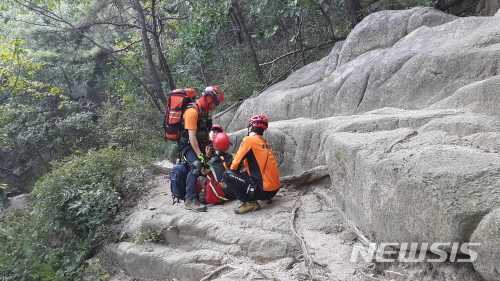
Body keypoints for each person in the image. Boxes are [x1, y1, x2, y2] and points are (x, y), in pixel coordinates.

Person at [222, 114, 280, 214]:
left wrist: (231, 172)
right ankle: (265, 198)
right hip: (274, 190)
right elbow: (258, 166)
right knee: (246, 173)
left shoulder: (249, 140)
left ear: (251, 127)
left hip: (264, 191)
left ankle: (249, 202)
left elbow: (235, 163)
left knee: (227, 175)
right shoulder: (266, 143)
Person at [177, 86, 224, 211]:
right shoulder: (192, 112)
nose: (217, 106)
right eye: (216, 103)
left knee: (213, 161)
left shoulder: (204, 110)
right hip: (188, 145)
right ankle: (190, 199)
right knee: (197, 165)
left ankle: (208, 192)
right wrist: (200, 155)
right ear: (209, 98)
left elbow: (204, 131)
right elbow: (192, 137)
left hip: (200, 144)